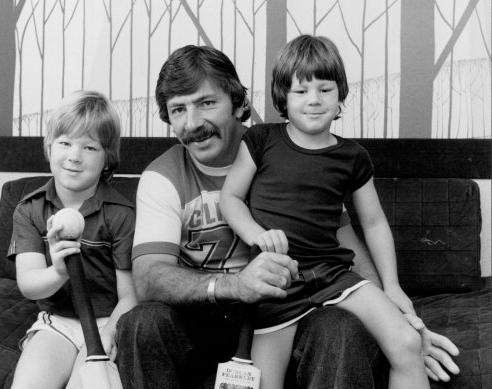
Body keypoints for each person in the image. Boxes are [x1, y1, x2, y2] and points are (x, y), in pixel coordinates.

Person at [115, 45, 460, 389]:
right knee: (141, 323)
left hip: (290, 306)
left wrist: (397, 326)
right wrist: (235, 285)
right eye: (178, 110)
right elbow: (148, 279)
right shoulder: (163, 176)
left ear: (238, 103)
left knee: (340, 327)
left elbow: (344, 243)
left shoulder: (283, 150)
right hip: (205, 318)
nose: (192, 123)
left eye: (207, 103)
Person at [220, 34, 432, 389]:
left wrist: (392, 286)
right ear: (283, 98)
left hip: (334, 276)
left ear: (340, 96)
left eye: (325, 89)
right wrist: (257, 235)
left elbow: (374, 222)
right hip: (278, 282)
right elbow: (230, 198)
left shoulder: (353, 156)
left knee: (408, 342)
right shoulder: (260, 140)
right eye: (301, 91)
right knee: (260, 383)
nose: (314, 101)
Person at [8, 91, 137, 389]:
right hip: (58, 322)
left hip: (107, 322)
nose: (74, 156)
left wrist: (109, 335)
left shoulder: (121, 215)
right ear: (49, 147)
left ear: (107, 159)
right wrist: (58, 272)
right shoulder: (30, 208)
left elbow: (131, 295)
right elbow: (28, 285)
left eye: (90, 147)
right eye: (64, 143)